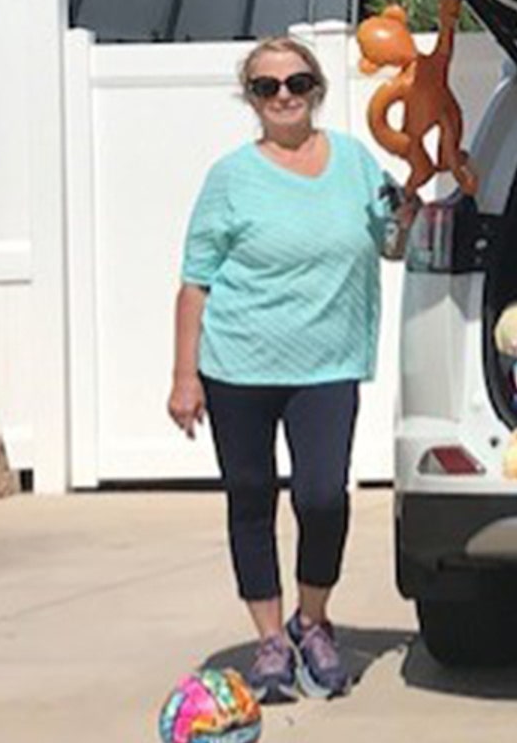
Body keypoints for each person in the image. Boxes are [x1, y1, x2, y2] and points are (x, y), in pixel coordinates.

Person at [166, 36, 408, 703]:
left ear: (316, 90)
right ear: (250, 97)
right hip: (237, 362)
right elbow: (195, 282)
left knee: (323, 496)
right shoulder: (231, 177)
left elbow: (392, 240)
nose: (283, 97)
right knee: (251, 497)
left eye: (296, 83)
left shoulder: (356, 161)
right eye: (266, 87)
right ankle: (271, 640)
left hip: (327, 362)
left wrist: (408, 214)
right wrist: (185, 377)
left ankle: (313, 619)